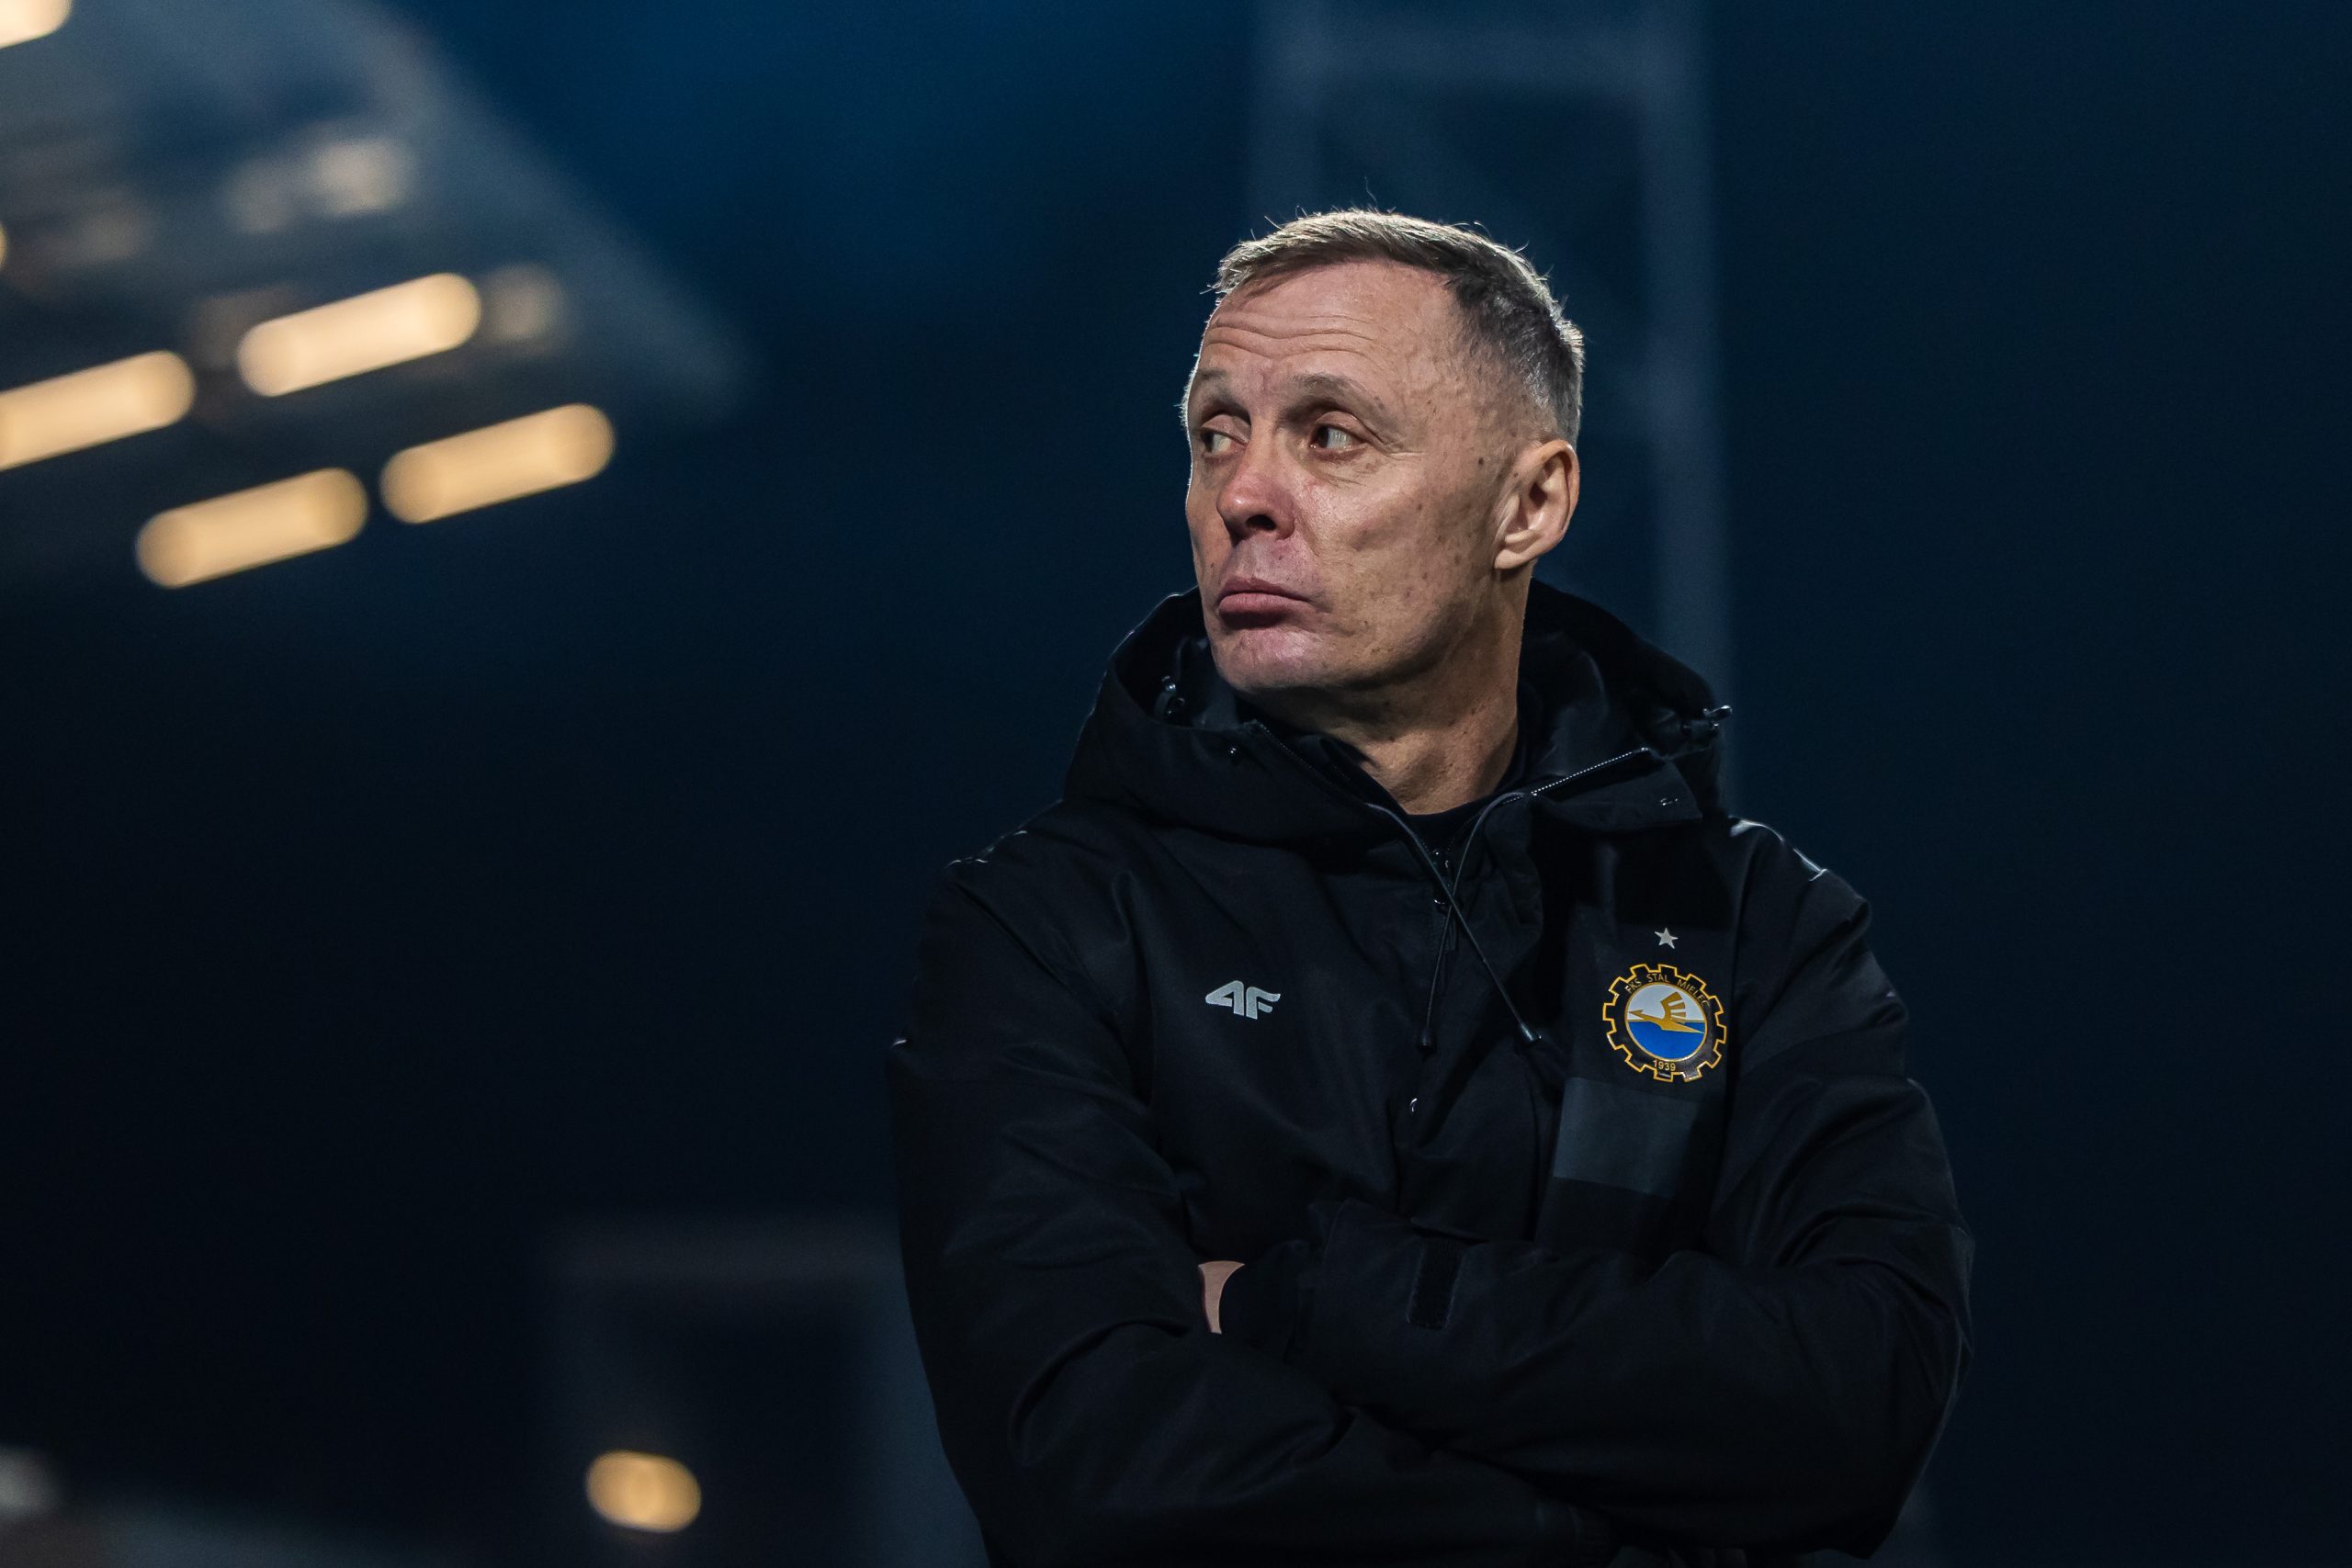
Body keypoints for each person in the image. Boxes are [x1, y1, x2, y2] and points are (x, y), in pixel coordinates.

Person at [884, 209, 1972, 1568]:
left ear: (1530, 505)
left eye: (1330, 435)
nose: (1242, 496)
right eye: (1216, 435)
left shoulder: (1756, 927)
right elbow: (1099, 1475)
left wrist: (1308, 1301)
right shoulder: (1047, 924)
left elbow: (1860, 1399)